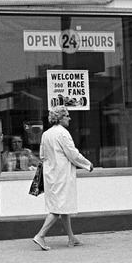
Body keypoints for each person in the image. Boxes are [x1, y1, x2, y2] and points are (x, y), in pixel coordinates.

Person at [32, 106, 93, 251]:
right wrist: (87, 164)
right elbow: (73, 154)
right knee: (58, 208)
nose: (69, 118)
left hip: (50, 173)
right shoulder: (63, 134)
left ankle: (71, 238)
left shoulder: (46, 134)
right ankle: (40, 235)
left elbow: (42, 155)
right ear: (60, 118)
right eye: (67, 115)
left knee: (62, 205)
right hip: (62, 174)